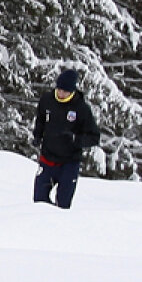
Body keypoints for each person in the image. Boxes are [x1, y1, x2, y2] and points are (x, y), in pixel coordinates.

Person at [31, 68, 101, 209]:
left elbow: (94, 137)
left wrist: (76, 139)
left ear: (72, 91)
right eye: (60, 90)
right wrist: (37, 135)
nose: (61, 94)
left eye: (66, 91)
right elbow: (40, 120)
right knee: (39, 200)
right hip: (48, 159)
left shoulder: (81, 108)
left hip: (69, 163)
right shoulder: (47, 100)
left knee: (63, 205)